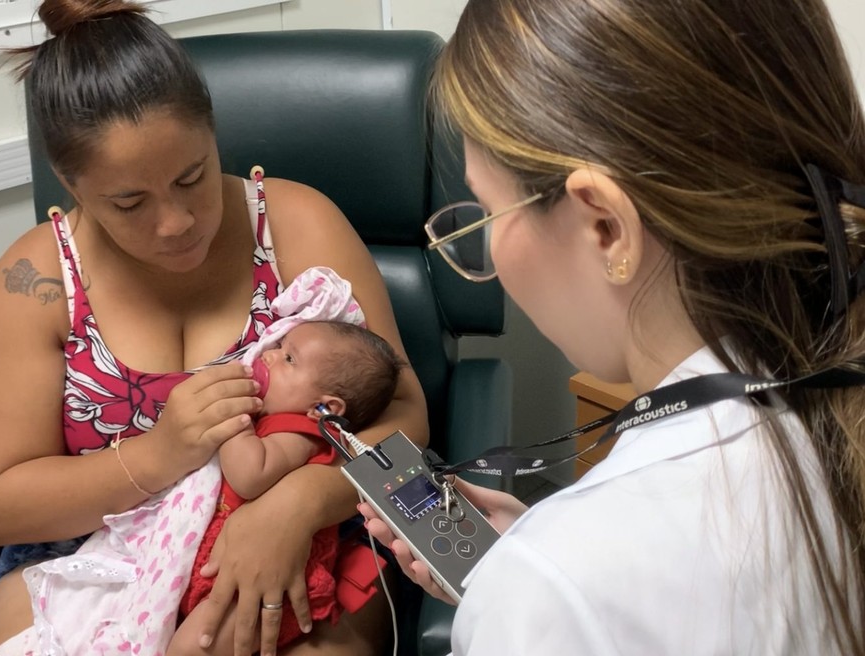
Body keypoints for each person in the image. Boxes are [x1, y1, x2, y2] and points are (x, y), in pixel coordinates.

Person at [360, 0, 865, 654]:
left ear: (605, 227)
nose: (488, 256)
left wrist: (536, 592)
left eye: (485, 214)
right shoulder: (822, 396)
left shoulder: (555, 587)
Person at [0, 1, 428, 655]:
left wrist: (297, 503)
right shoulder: (34, 282)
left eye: (192, 176)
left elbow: (405, 414)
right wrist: (158, 456)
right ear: (70, 183)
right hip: (88, 562)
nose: (176, 222)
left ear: (213, 134)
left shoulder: (298, 226)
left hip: (297, 554)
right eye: (129, 203)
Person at [170, 319, 406, 655]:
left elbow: (250, 476)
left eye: (288, 359)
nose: (268, 356)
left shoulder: (301, 433)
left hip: (270, 584)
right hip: (230, 567)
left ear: (324, 408)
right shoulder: (274, 421)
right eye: (279, 347)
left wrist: (230, 417)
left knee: (191, 649)